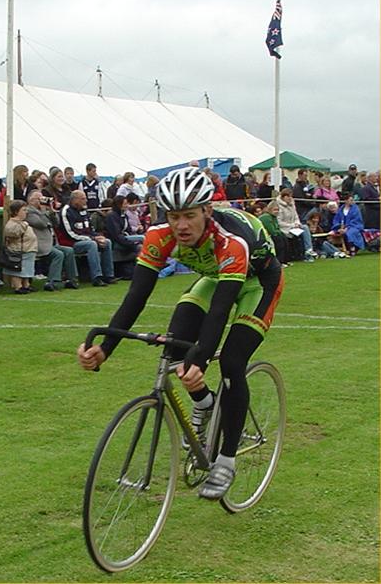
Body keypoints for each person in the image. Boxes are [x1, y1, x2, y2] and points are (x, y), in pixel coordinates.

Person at [77, 167, 283, 500]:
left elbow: (220, 311)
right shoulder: (159, 236)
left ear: (207, 211)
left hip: (257, 283)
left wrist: (201, 357)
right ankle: (204, 401)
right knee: (175, 347)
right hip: (215, 277)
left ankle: (226, 461)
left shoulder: (231, 241)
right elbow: (136, 297)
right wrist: (105, 347)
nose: (181, 225)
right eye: (174, 216)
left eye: (189, 215)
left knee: (231, 362)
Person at [58, 190, 116, 287]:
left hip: (86, 239)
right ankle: (96, 277)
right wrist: (92, 239)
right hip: (70, 243)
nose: (86, 201)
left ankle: (109, 275)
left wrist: (98, 236)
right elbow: (70, 233)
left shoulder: (84, 210)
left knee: (107, 242)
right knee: (92, 245)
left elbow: (90, 229)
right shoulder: (66, 211)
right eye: (83, 199)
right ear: (75, 200)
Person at [26, 190, 79, 290]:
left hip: (52, 243)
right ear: (31, 200)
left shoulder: (44, 211)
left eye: (42, 198)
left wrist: (51, 209)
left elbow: (56, 223)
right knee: (58, 254)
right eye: (39, 199)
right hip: (39, 244)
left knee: (69, 251)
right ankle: (52, 281)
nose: (41, 201)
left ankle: (71, 279)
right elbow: (41, 224)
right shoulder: (28, 212)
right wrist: (43, 211)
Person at [2, 200, 38, 294]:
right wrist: (24, 226)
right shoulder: (12, 223)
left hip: (29, 250)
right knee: (18, 271)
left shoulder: (23, 222)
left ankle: (26, 284)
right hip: (19, 251)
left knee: (27, 269)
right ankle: (18, 286)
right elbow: (13, 233)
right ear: (16, 212)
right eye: (23, 210)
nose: (26, 212)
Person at [275, 188, 317, 262]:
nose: (289, 198)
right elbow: (279, 222)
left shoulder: (292, 205)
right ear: (283, 197)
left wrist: (297, 223)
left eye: (290, 196)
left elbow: (296, 216)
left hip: (294, 227)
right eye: (288, 196)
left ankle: (309, 250)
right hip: (285, 228)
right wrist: (292, 225)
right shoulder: (279, 207)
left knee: (305, 227)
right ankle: (307, 253)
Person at [258, 200, 288, 265]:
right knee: (279, 239)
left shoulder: (274, 217)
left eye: (277, 210)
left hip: (273, 234)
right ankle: (279, 261)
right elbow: (272, 231)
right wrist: (279, 232)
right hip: (265, 236)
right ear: (270, 209)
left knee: (284, 238)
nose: (276, 211)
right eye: (275, 210)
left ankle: (284, 260)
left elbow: (277, 229)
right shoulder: (266, 217)